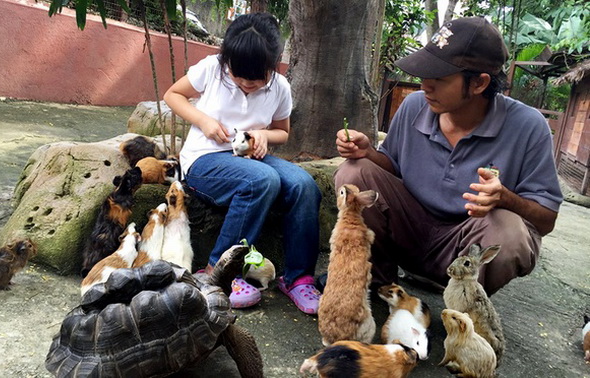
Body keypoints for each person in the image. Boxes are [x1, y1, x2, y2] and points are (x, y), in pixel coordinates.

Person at [334, 16, 563, 296]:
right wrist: (368, 152)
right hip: (410, 229)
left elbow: (546, 221)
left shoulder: (528, 127)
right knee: (353, 173)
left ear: (479, 83)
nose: (425, 85)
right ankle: (378, 285)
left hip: (465, 245)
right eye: (424, 74)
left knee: (511, 234)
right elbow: (392, 168)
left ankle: (462, 308)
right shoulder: (414, 106)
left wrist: (505, 198)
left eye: (439, 78)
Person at [163, 12, 322, 314]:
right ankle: (217, 273)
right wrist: (204, 120)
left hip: (249, 160)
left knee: (304, 185)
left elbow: (283, 132)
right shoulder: (211, 69)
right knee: (262, 179)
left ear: (273, 66)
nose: (249, 84)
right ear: (227, 60)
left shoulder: (280, 87)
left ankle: (298, 278)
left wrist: (264, 135)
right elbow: (173, 95)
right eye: (240, 76)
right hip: (205, 160)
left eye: (258, 77)